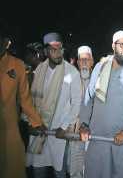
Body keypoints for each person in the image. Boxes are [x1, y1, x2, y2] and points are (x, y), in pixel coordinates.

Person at [79, 30, 123, 178]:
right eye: (121, 45)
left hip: (119, 140)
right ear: (113, 46)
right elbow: (89, 97)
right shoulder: (100, 67)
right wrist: (83, 124)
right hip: (98, 137)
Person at [26, 32, 82, 178]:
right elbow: (30, 100)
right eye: (53, 50)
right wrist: (30, 122)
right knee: (38, 171)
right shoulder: (39, 70)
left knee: (59, 172)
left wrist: (64, 127)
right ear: (45, 51)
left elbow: (76, 103)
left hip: (58, 134)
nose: (58, 53)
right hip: (39, 130)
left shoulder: (71, 72)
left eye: (60, 49)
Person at [0, 32, 45, 178]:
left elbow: (25, 99)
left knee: (13, 168)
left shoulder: (17, 65)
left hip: (10, 129)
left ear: (6, 42)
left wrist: (37, 122)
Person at [68, 45, 94, 178]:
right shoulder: (70, 80)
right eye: (81, 60)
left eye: (87, 59)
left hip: (94, 134)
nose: (84, 62)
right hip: (75, 133)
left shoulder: (99, 82)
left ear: (92, 62)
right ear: (77, 63)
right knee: (75, 170)